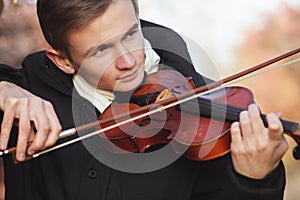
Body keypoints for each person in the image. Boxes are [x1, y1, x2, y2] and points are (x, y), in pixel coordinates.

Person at [0, 0, 290, 199]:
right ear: (63, 61)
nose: (128, 61)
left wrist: (254, 181)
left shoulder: (201, 115)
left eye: (130, 34)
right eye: (100, 51)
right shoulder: (27, 92)